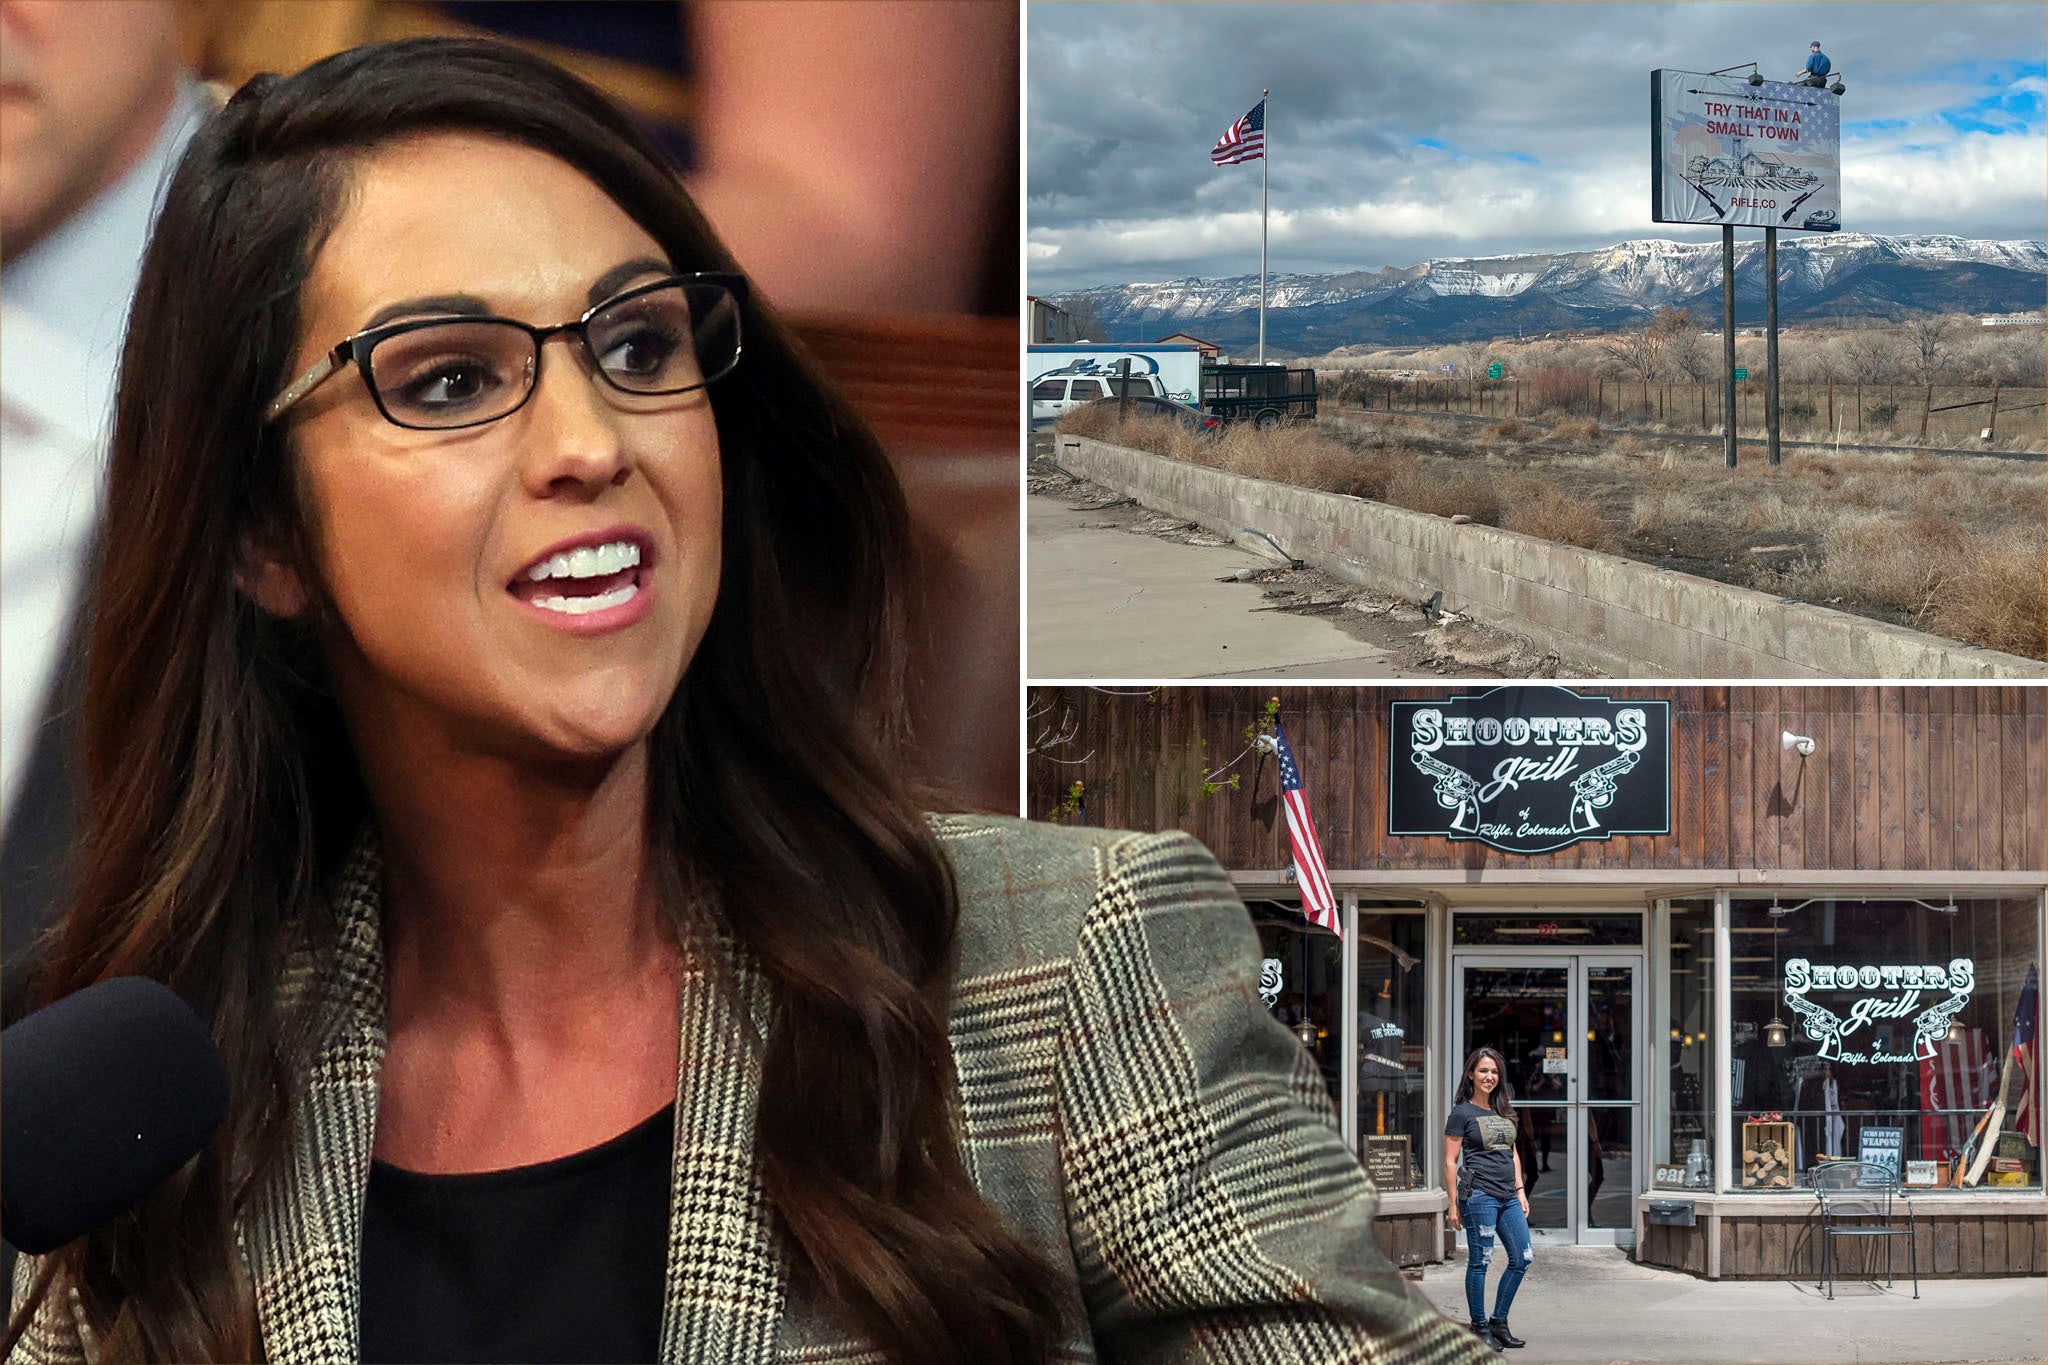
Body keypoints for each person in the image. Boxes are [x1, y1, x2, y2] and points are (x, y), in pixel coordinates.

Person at [3, 38, 1492, 1365]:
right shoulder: (139, 1115)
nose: (590, 442)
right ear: (264, 532)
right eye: (451, 381)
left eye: (640, 345)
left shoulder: (1068, 968)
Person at [1444, 1046, 1533, 1353]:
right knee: (1480, 1261)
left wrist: (1520, 1190)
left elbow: (1513, 1153)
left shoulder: (1504, 1111)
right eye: (1483, 1071)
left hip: (1508, 1196)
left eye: (1494, 1072)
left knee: (1522, 1258)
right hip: (1479, 1196)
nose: (1489, 1077)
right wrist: (1453, 1204)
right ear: (1471, 1074)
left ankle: (1499, 1322)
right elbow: (1450, 1161)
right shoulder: (1461, 1113)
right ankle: (1479, 1327)